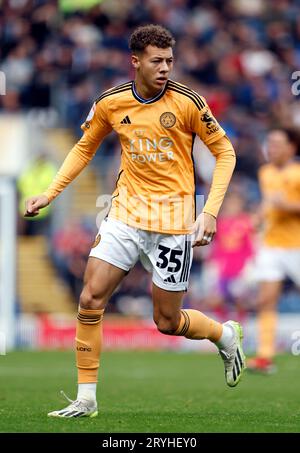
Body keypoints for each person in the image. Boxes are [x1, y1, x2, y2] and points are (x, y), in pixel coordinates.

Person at [24, 24, 245, 418]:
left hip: (175, 221)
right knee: (91, 298)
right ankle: (86, 399)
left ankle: (223, 334)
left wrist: (209, 211)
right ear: (136, 61)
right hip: (125, 213)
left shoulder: (189, 102)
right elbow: (83, 148)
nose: (165, 68)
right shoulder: (111, 103)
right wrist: (50, 193)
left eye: (170, 61)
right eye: (157, 61)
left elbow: (225, 152)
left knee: (167, 320)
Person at [248, 128, 300, 374]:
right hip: (271, 244)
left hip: (297, 245)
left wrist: (287, 206)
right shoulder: (265, 172)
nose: (272, 148)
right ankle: (265, 356)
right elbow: (269, 203)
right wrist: (260, 215)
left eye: (278, 143)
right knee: (266, 300)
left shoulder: (298, 172)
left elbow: (283, 204)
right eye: (269, 142)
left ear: (291, 148)